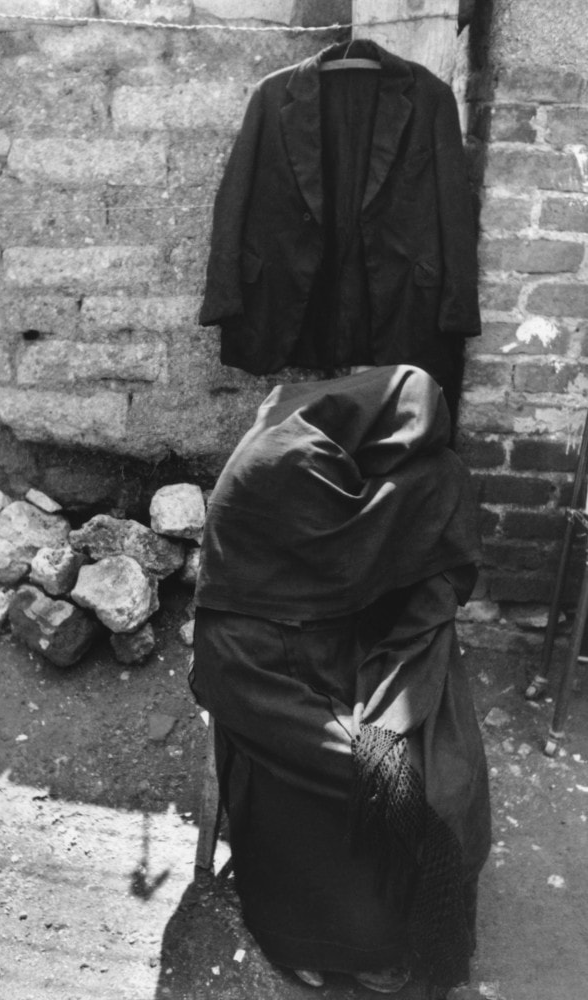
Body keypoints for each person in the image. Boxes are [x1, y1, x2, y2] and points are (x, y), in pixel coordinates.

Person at [189, 365, 491, 996]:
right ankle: (299, 934)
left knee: (428, 769)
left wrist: (392, 675)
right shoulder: (277, 463)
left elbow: (428, 594)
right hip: (253, 665)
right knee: (351, 773)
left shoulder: (406, 480)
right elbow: (230, 623)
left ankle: (380, 938)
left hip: (354, 648)